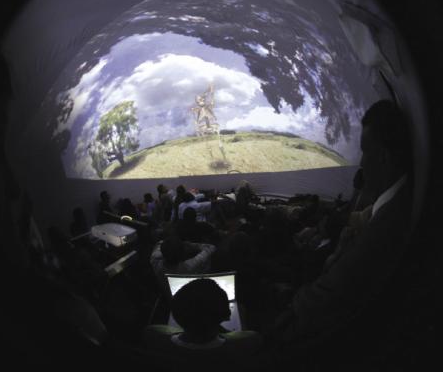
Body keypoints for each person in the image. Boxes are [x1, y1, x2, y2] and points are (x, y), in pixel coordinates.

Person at [265, 100, 414, 356]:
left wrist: (290, 306)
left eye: (363, 152)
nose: (361, 163)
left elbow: (325, 299)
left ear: (383, 156)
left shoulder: (384, 228)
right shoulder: (394, 205)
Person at [144, 278, 262, 371]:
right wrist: (226, 332)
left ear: (175, 314)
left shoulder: (152, 334)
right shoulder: (248, 341)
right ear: (226, 315)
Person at [150, 236, 215, 295]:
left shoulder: (154, 260)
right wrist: (191, 244)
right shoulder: (188, 267)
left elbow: (160, 242)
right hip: (187, 294)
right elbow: (211, 248)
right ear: (183, 254)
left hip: (169, 295)